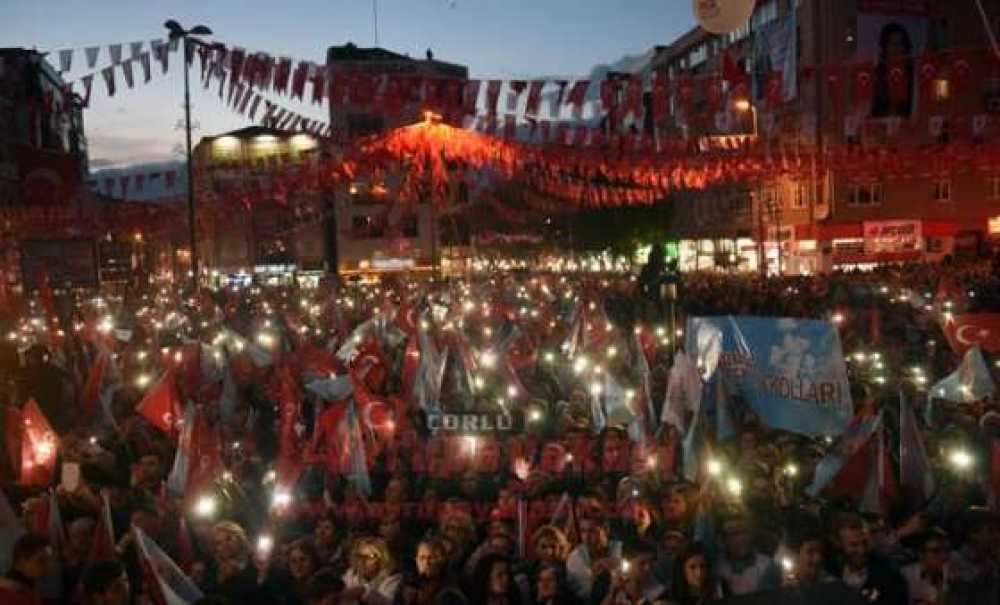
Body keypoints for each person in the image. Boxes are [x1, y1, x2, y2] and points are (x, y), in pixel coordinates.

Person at [828, 513, 909, 605]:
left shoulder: (889, 575)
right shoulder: (831, 570)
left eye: (865, 543)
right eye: (853, 545)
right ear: (838, 543)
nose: (861, 550)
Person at [715, 515, 781, 596]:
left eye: (744, 532)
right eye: (734, 534)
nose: (740, 538)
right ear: (724, 539)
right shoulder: (716, 567)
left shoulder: (767, 566)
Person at [565, 517, 622, 603]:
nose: (587, 536)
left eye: (592, 531)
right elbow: (580, 594)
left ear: (605, 530)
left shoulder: (618, 550)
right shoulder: (576, 557)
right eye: (583, 531)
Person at [396, 538, 466, 605]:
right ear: (416, 560)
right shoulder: (406, 587)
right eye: (422, 558)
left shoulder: (450, 595)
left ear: (443, 560)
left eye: (432, 558)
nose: (427, 563)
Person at [871, 22, 915, 119]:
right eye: (892, 43)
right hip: (880, 127)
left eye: (900, 44)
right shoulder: (876, 75)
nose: (896, 48)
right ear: (884, 47)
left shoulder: (915, 75)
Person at [342, 536, 402, 605]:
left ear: (382, 558)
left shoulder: (392, 578)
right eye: (360, 556)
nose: (363, 561)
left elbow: (387, 603)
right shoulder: (350, 575)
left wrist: (364, 591)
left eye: (371, 556)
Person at [901, 529, 952, 605]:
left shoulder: (950, 575)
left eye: (946, 550)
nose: (943, 556)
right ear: (921, 554)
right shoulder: (906, 576)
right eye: (935, 551)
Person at [0, 534, 52, 605]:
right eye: (41, 561)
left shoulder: (30, 588)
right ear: (22, 561)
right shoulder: (11, 594)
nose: (47, 567)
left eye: (48, 560)